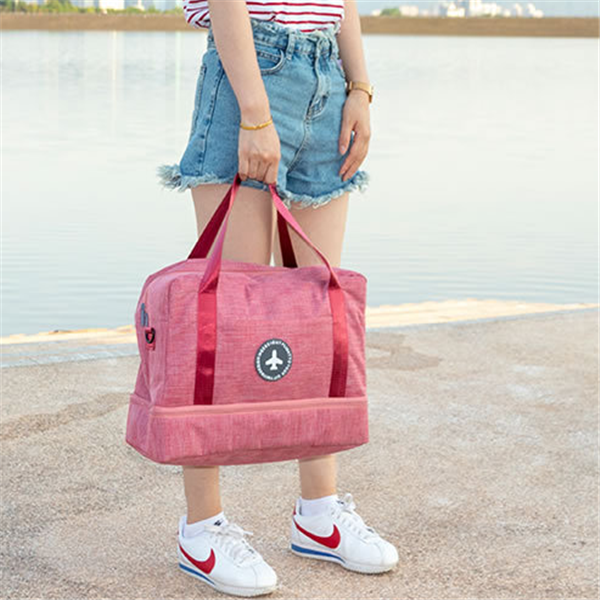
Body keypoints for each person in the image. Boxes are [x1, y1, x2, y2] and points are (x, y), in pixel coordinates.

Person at [157, 1, 398, 596]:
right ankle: (202, 530)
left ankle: (319, 516)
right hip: (251, 69)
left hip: (328, 77)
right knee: (222, 322)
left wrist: (360, 89)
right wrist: (255, 111)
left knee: (318, 321)